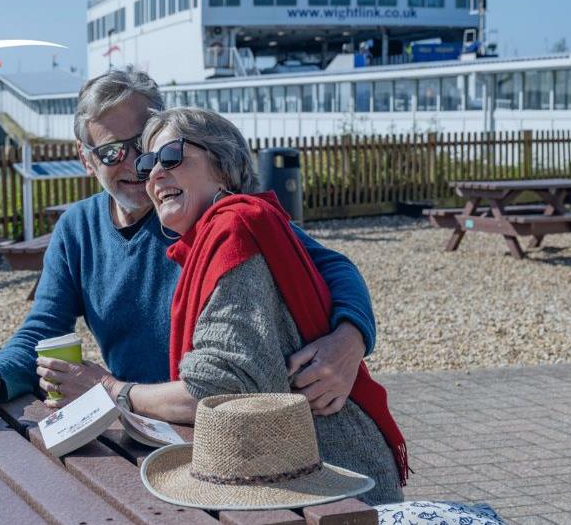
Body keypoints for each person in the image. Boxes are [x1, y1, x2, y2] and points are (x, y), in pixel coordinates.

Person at [0, 68, 375, 425]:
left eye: (141, 146)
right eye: (110, 153)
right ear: (85, 159)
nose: (136, 166)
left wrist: (349, 340)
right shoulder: (77, 230)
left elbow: (333, 267)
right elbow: (44, 326)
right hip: (143, 419)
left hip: (222, 426)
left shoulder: (203, 215)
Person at [120, 106, 406, 503]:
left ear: (222, 165)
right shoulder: (245, 222)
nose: (154, 173)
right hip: (302, 473)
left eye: (170, 156)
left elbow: (223, 391)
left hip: (324, 481)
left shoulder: (234, 229)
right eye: (147, 164)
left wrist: (116, 391)